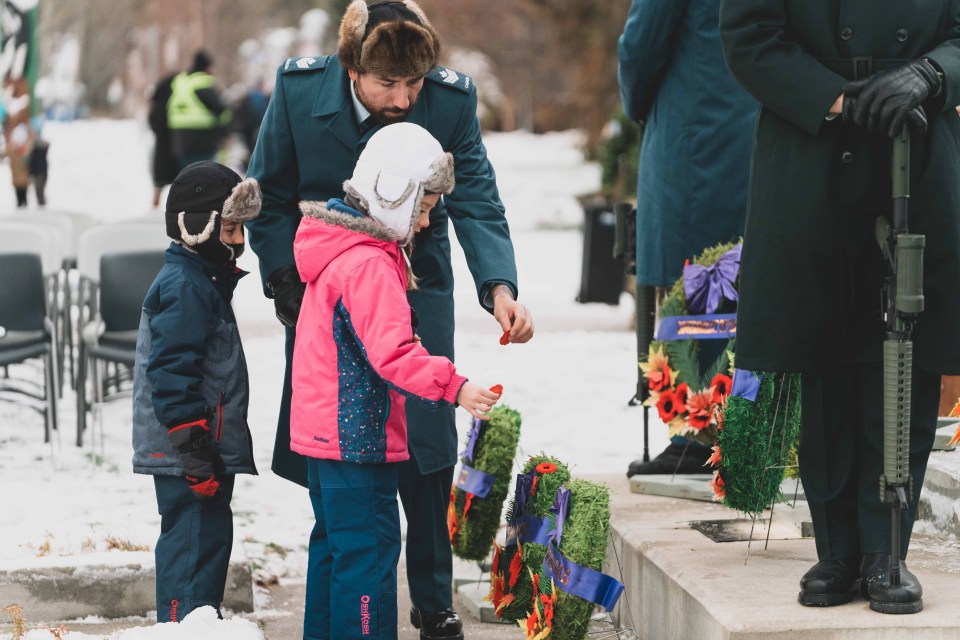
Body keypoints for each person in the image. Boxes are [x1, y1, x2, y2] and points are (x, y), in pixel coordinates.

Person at [246, 2, 534, 638]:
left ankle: (432, 600)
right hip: (318, 285)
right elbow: (265, 198)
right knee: (336, 446)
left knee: (423, 446)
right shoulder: (298, 93)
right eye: (387, 85)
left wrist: (500, 286)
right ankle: (349, 579)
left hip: (416, 283)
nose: (404, 98)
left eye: (414, 84)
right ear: (353, 69)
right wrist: (285, 283)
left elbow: (478, 199)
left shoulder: (450, 101)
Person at [719, 0, 960, 613]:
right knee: (820, 346)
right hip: (811, 150)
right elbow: (749, 37)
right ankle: (837, 552)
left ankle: (887, 552)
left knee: (908, 346)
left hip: (917, 144)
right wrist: (841, 100)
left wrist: (931, 75)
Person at [294, 121, 501, 640]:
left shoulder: (337, 248)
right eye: (425, 207)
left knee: (334, 550)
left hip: (322, 441)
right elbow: (394, 355)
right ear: (393, 193)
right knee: (368, 556)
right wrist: (455, 387)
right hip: (356, 442)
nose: (428, 223)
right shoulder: (369, 266)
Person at [617, 0, 756, 476]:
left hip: (695, 130)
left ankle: (699, 441)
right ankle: (739, 431)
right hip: (755, 125)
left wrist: (638, 106)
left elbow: (640, 47)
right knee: (734, 282)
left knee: (699, 284)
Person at [131, 161, 262, 622]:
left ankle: (201, 621)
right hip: (188, 449)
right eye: (228, 230)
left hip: (202, 446)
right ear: (196, 227)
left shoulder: (201, 282)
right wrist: (194, 447)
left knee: (207, 543)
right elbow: (170, 370)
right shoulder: (186, 286)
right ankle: (182, 625)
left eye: (240, 230)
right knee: (191, 549)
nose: (239, 242)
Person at [167, 50, 231, 170]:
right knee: (205, 177)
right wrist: (225, 132)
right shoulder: (204, 82)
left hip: (180, 139)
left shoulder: (180, 82)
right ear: (207, 67)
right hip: (203, 141)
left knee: (187, 177)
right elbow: (221, 111)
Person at [148, 72, 179, 207]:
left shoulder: (157, 104)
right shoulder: (175, 102)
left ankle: (155, 203)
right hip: (175, 144)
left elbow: (152, 123)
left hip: (161, 146)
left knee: (159, 181)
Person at [28, 132, 48, 207]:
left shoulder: (37, 151)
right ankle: (41, 205)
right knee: (39, 192)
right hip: (40, 174)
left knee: (39, 192)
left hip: (39, 174)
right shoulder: (39, 150)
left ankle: (42, 205)